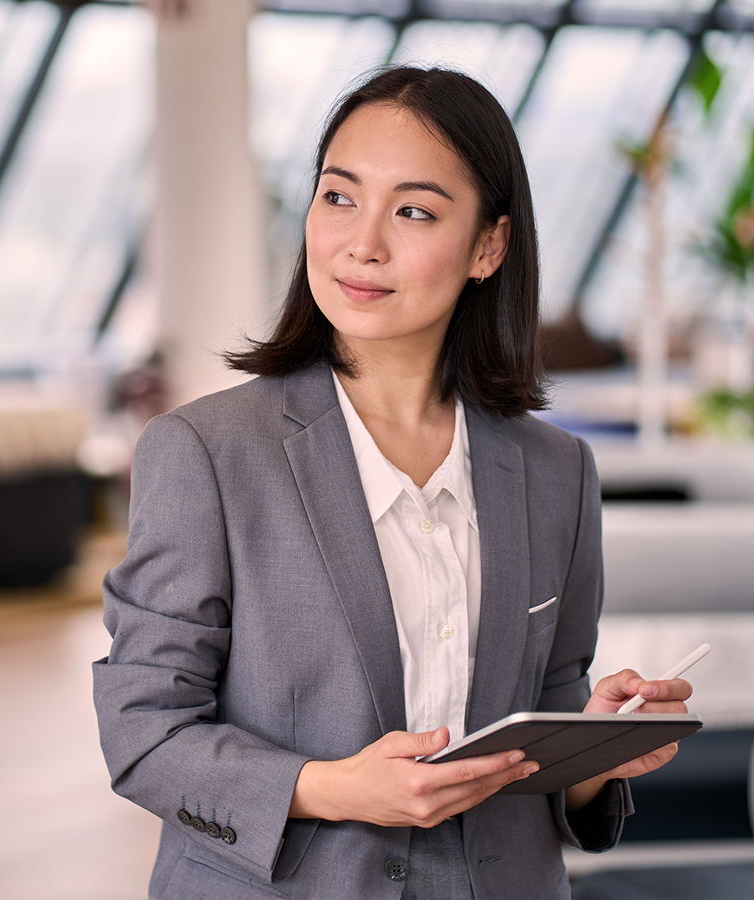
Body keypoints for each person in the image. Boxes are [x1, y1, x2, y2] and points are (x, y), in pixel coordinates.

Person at [93, 66, 691, 899]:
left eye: (413, 211)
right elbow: (145, 734)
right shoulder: (206, 454)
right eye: (339, 197)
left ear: (490, 246)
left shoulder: (556, 472)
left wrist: (594, 748)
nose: (361, 242)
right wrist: (339, 788)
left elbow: (546, 720)